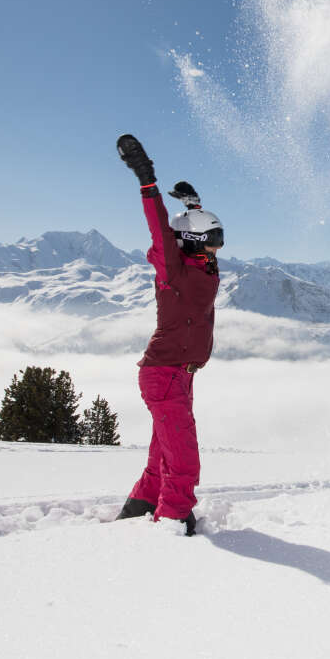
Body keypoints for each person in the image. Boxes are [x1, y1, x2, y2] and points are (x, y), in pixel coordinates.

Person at [114, 133, 223, 535]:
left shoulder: (202, 267)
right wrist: (147, 180)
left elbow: (185, 233)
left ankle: (141, 505)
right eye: (211, 243)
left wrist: (194, 206)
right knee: (184, 460)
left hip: (182, 373)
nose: (216, 251)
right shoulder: (172, 269)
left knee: (164, 450)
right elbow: (162, 229)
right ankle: (174, 520)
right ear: (192, 243)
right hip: (164, 372)